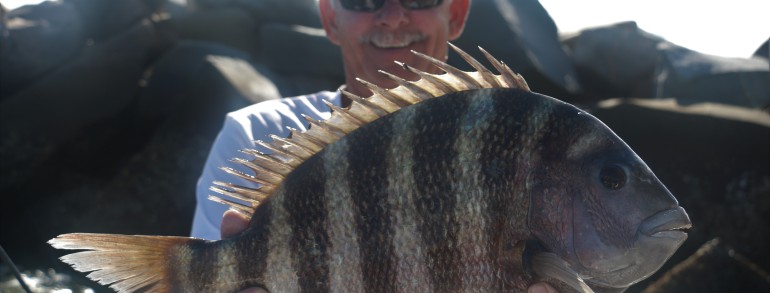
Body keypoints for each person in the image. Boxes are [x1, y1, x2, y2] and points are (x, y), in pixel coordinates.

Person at [193, 0, 559, 292]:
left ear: (457, 12)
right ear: (330, 18)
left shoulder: (527, 139)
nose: (393, 17)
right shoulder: (257, 136)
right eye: (364, 0)